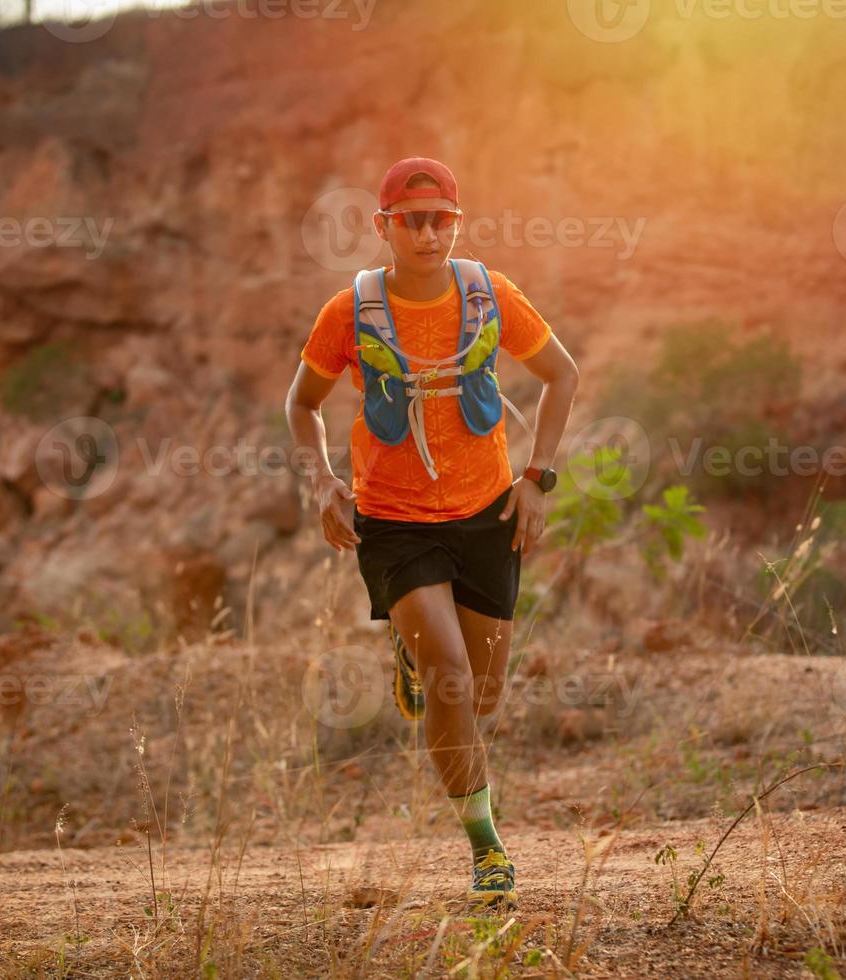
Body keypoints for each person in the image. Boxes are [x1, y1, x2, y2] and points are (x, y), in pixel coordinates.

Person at [284, 157, 580, 906]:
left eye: (440, 218)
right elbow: (303, 404)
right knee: (450, 669)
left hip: (487, 515)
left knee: (479, 697)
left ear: (457, 221)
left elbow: (562, 374)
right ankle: (487, 849)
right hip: (391, 521)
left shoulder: (489, 295)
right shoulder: (348, 312)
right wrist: (322, 482)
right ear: (383, 228)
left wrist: (539, 477)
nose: (427, 232)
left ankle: (414, 663)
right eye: (410, 220)